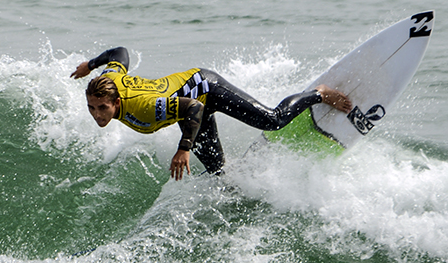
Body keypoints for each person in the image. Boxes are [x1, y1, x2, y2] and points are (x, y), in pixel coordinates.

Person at [71, 47, 352, 180]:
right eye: (92, 108)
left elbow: (193, 107)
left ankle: (320, 94)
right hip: (189, 108)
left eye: (103, 108)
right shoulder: (108, 80)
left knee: (273, 120)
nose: (97, 114)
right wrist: (91, 64)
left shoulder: (145, 109)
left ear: (116, 102)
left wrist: (184, 149)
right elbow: (119, 54)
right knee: (219, 173)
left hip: (206, 88)